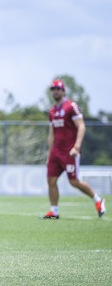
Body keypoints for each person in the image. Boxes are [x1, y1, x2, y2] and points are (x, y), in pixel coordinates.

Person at [42, 78, 106, 219]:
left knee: (74, 181)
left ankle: (98, 200)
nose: (55, 91)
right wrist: (49, 154)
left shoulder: (71, 106)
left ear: (63, 90)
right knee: (51, 180)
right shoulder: (52, 111)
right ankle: (54, 211)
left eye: (58, 89)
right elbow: (52, 133)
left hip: (69, 151)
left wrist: (76, 146)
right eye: (53, 89)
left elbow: (81, 126)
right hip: (56, 152)